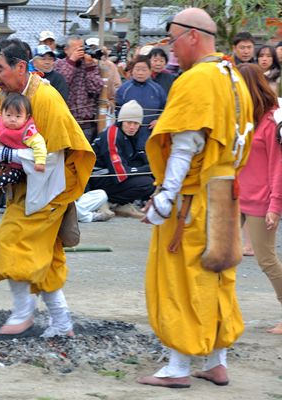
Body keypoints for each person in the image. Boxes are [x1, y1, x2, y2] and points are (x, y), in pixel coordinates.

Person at [138, 8, 253, 388]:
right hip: (226, 193)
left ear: (191, 36)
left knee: (182, 278)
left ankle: (178, 366)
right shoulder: (233, 76)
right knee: (216, 274)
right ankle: (217, 362)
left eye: (171, 39)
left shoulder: (197, 79)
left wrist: (165, 197)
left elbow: (186, 145)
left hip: (194, 197)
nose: (169, 49)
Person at [0, 38, 95, 337]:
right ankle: (62, 322)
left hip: (50, 186)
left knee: (10, 242)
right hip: (23, 184)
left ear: (21, 67)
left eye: (0, 69)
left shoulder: (46, 99)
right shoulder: (3, 97)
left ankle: (22, 312)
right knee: (46, 257)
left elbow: (54, 154)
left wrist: (8, 156)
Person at [237, 63, 282, 335]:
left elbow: (278, 166)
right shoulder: (242, 119)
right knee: (222, 255)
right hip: (234, 198)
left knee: (266, 259)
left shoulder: (272, 121)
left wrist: (275, 205)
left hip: (262, 201)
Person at [89, 100, 154, 218]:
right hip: (97, 178)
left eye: (136, 123)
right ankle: (106, 202)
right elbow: (119, 173)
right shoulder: (113, 135)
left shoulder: (128, 134)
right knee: (147, 183)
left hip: (111, 173)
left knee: (148, 170)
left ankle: (119, 203)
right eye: (129, 122)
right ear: (121, 120)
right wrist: (148, 169)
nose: (132, 127)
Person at [54, 35, 104, 143]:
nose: (80, 51)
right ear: (66, 50)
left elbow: (96, 88)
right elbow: (61, 84)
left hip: (85, 124)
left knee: (84, 157)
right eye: (75, 49)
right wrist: (72, 61)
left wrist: (90, 66)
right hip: (65, 122)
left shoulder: (89, 65)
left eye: (81, 48)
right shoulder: (59, 64)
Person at [115, 56, 167, 150]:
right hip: (127, 137)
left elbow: (166, 109)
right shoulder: (124, 89)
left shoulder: (157, 89)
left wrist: (159, 120)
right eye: (137, 69)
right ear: (132, 70)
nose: (140, 73)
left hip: (150, 135)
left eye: (144, 70)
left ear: (150, 71)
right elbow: (117, 111)